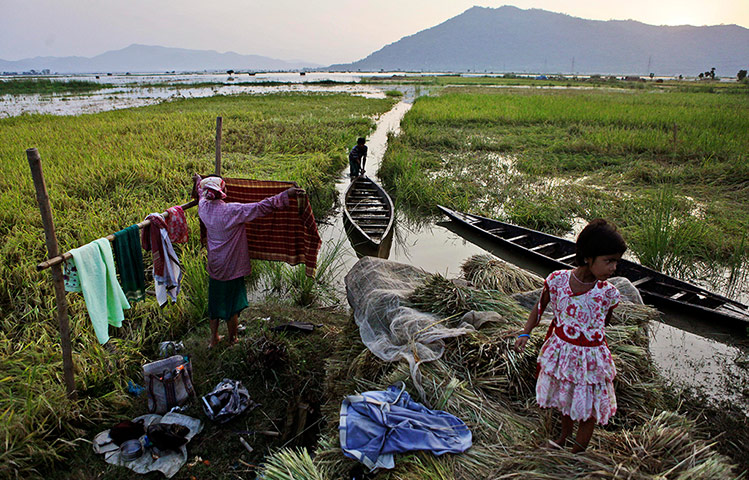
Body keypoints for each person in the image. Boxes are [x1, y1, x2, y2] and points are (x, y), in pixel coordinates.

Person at [514, 219, 626, 453]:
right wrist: (526, 332)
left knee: (588, 409)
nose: (614, 268)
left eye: (616, 261)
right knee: (565, 401)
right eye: (609, 261)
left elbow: (603, 323)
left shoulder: (608, 293)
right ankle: (564, 437)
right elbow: (540, 307)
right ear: (588, 257)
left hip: (590, 361)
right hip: (563, 354)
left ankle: (577, 452)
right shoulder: (557, 281)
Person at [193, 174, 305, 347]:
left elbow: (200, 194)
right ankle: (233, 339)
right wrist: (286, 194)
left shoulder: (203, 208)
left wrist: (198, 181)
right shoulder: (232, 210)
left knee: (215, 301)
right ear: (223, 191)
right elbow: (261, 207)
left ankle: (213, 338)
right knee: (232, 303)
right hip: (231, 266)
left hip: (215, 264)